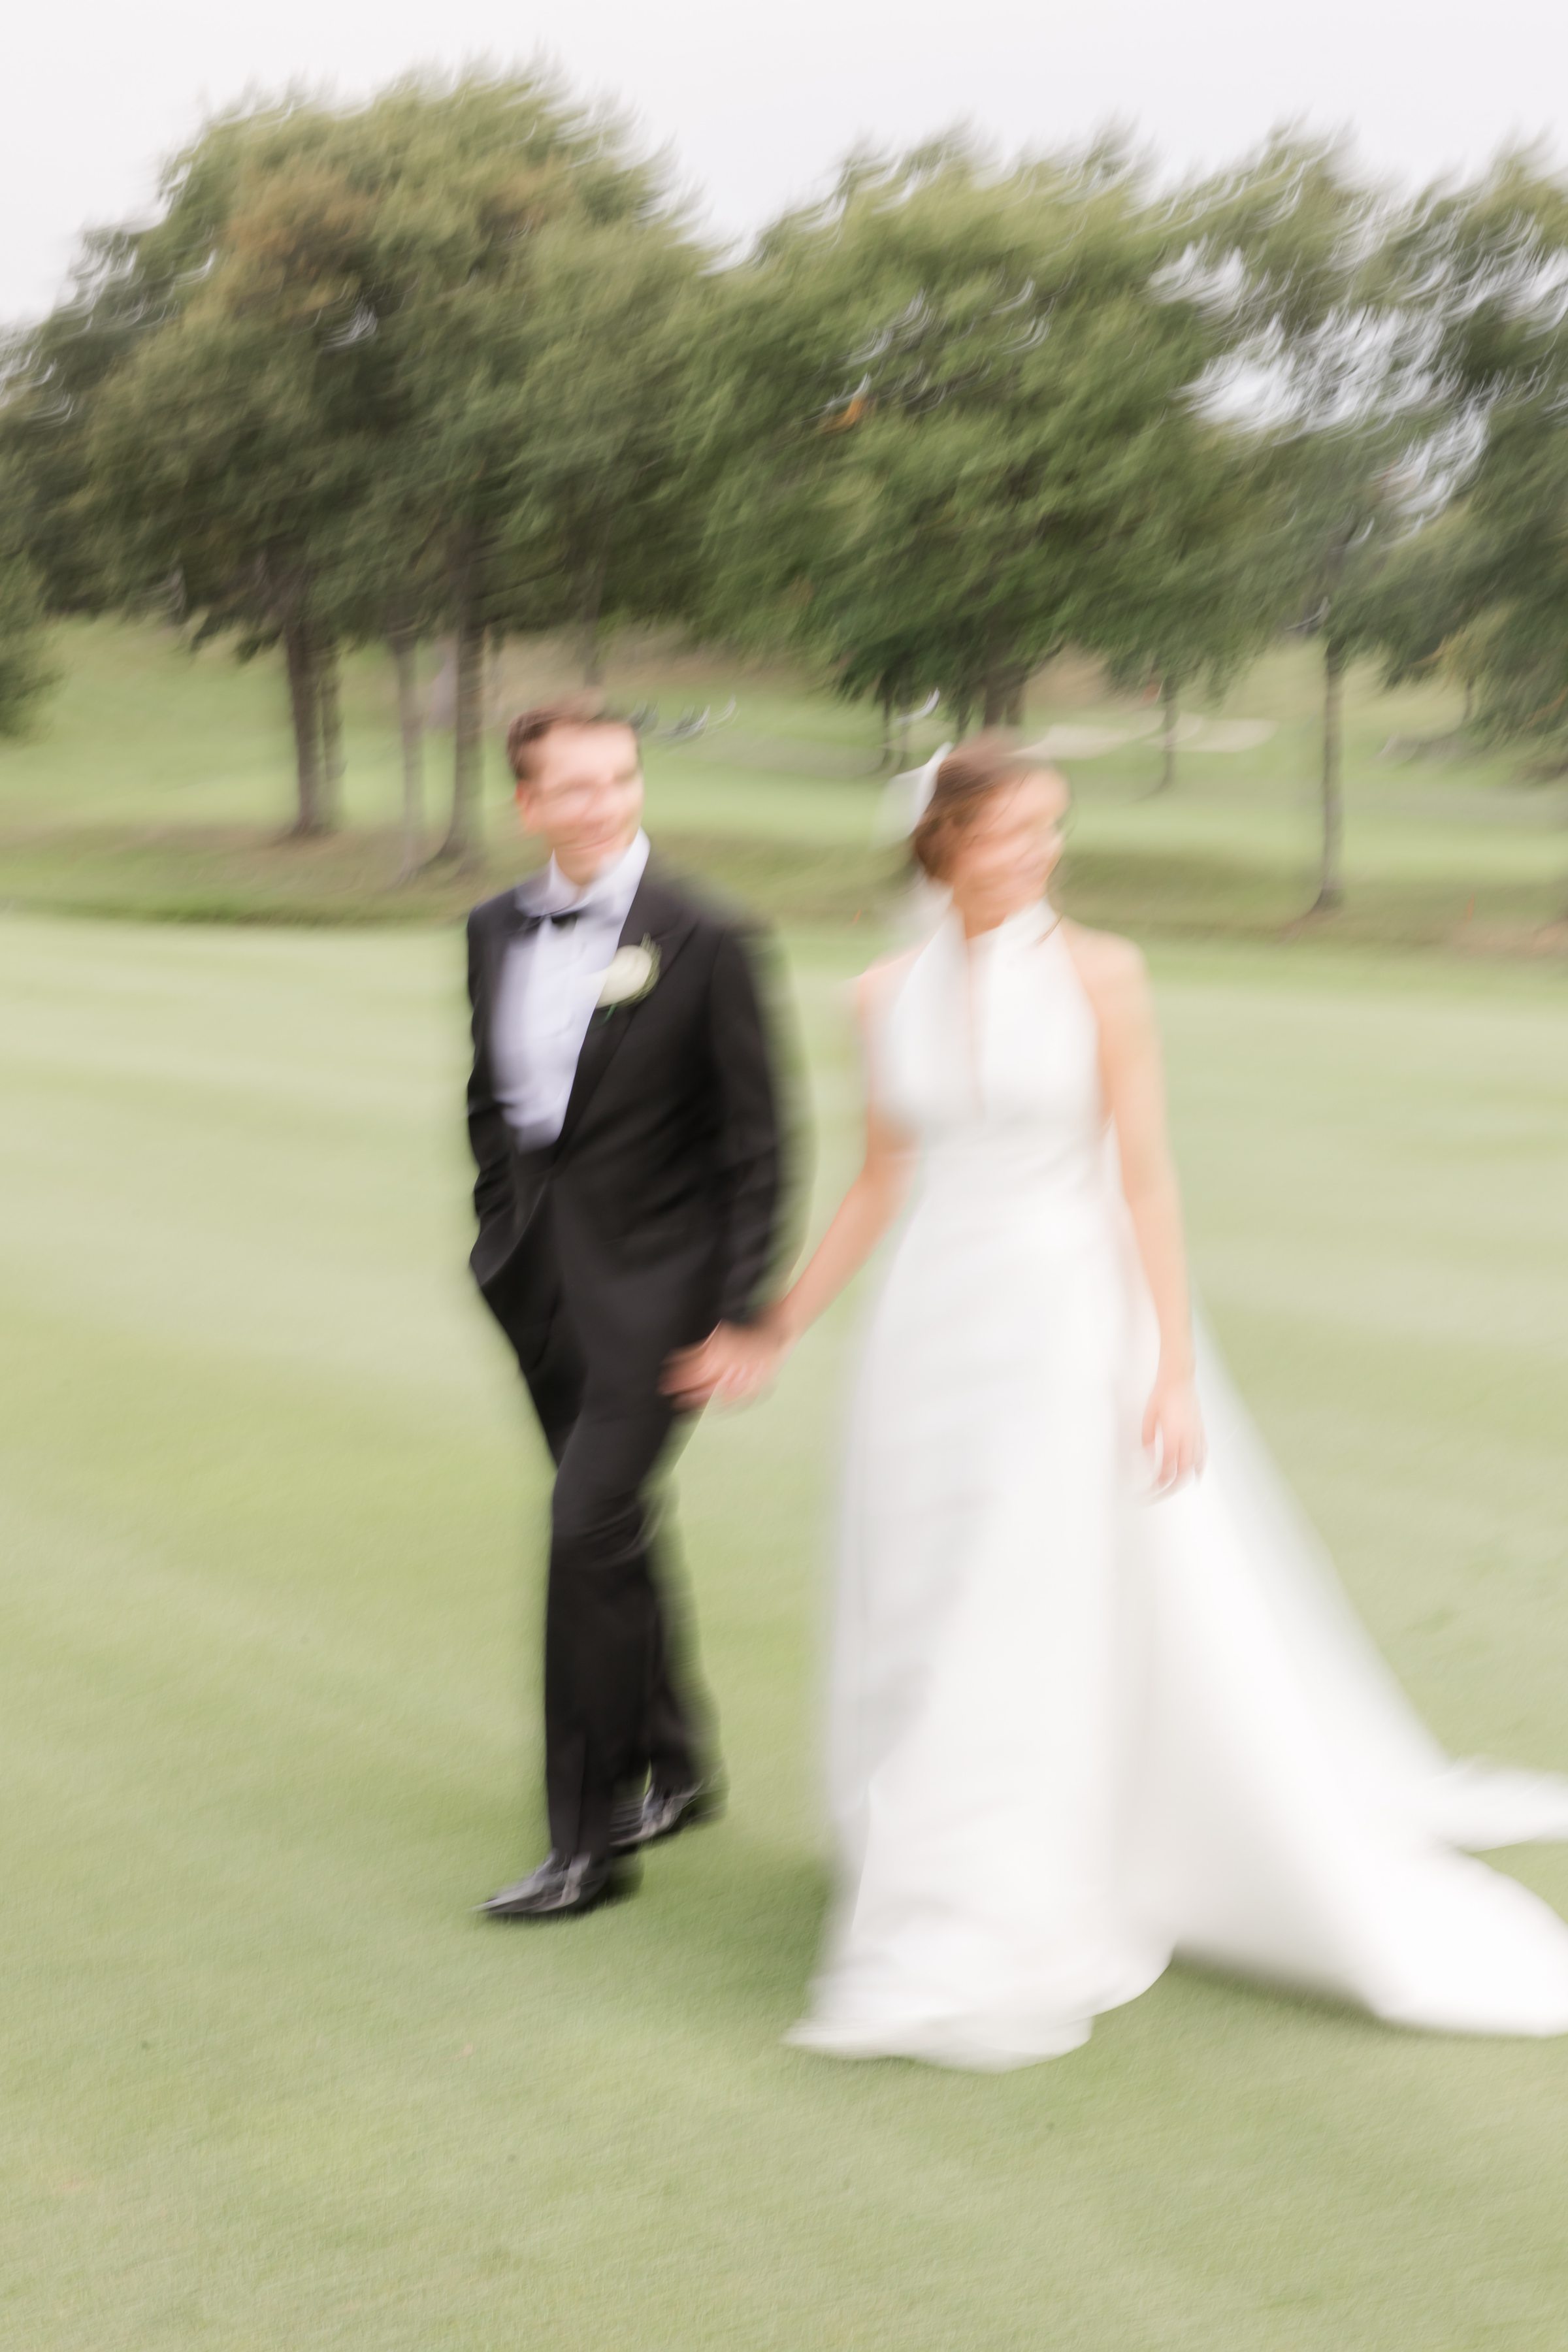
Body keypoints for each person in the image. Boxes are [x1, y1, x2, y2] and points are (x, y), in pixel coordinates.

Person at [670, 732, 1568, 2068]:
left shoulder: (1103, 975)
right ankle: (926, 1851)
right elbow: (880, 1179)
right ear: (945, 846)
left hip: (1063, 1321)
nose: (1040, 851)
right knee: (923, 1583)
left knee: (1019, 1592)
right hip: (928, 1332)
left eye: (1053, 827)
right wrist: (775, 1327)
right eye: (1012, 829)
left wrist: (1171, 1365)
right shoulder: (882, 994)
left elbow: (1143, 1177)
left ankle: (1009, 1891)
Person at [466, 695, 787, 1921]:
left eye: (619, 779)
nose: (600, 804)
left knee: (583, 1529)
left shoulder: (708, 933)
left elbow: (760, 1144)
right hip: (541, 1285)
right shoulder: (493, 928)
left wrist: (745, 1313)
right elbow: (492, 1107)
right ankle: (682, 1764)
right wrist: (499, 1234)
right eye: (573, 786)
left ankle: (587, 1846)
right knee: (617, 1532)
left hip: (664, 1296)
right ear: (529, 803)